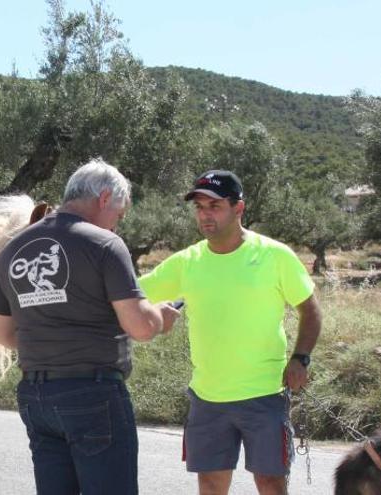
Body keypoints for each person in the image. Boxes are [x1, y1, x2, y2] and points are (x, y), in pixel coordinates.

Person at [0, 158, 181, 495]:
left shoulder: (13, 249)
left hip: (36, 397)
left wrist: (50, 339)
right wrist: (160, 318)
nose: (116, 226)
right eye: (118, 215)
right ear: (104, 199)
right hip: (94, 395)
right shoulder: (104, 245)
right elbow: (141, 327)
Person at [138, 170, 322, 495]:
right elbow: (132, 293)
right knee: (210, 486)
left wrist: (301, 358)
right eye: (199, 207)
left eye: (215, 205)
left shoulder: (274, 255)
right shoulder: (186, 262)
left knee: (271, 485)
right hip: (207, 399)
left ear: (239, 209)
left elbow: (310, 309)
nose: (205, 215)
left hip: (264, 395)